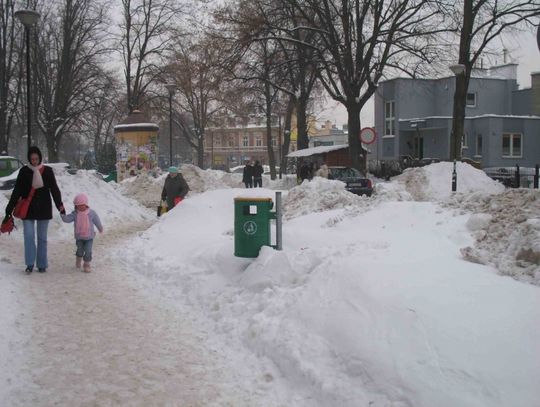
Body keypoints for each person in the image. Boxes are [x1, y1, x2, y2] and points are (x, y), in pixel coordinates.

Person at [2, 146, 65, 274]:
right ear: (29, 159)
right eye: (32, 159)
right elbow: (17, 191)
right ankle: (30, 264)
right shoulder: (24, 171)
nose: (35, 161)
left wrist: (60, 206)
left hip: (43, 208)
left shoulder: (47, 171)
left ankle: (42, 264)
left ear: (40, 158)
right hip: (28, 209)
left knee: (42, 238)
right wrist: (9, 210)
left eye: (36, 159)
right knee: (29, 236)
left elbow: (54, 189)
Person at [60, 193, 103, 273]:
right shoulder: (75, 214)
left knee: (88, 251)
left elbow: (96, 220)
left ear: (86, 204)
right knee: (80, 250)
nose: (80, 207)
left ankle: (86, 264)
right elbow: (67, 219)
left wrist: (100, 228)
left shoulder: (91, 213)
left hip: (89, 237)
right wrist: (62, 213)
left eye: (82, 205)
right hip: (79, 237)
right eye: (78, 206)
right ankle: (78, 258)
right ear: (76, 206)